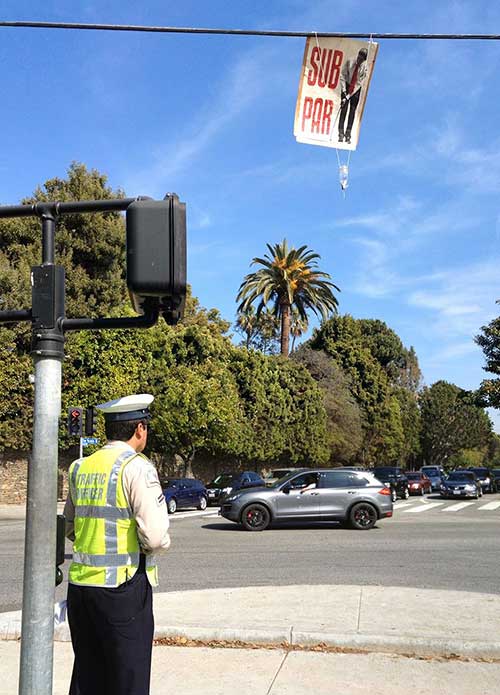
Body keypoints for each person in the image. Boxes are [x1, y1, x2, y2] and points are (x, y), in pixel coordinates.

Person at [64, 394, 171, 695]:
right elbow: (154, 537)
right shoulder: (138, 468)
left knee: (88, 676)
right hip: (123, 591)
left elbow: (70, 526)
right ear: (140, 429)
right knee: (128, 679)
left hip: (81, 591)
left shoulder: (80, 467)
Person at [338, 48, 368, 145]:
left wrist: (349, 95)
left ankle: (348, 133)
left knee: (352, 110)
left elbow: (359, 84)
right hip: (347, 83)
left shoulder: (364, 68)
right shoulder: (350, 61)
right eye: (359, 57)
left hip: (356, 88)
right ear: (358, 55)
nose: (359, 60)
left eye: (362, 59)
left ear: (364, 60)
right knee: (344, 108)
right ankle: (340, 133)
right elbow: (342, 76)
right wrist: (344, 92)